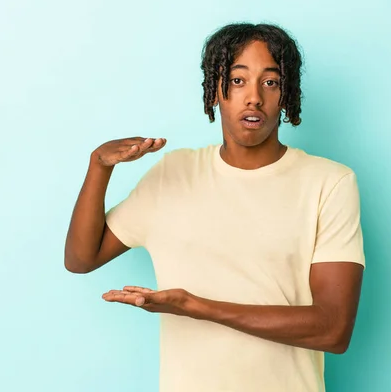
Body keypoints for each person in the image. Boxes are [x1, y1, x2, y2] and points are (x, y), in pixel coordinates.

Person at [64, 22, 365, 392]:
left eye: (270, 82)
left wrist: (197, 307)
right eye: (238, 81)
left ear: (286, 94)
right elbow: (81, 259)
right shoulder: (172, 174)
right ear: (214, 92)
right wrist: (99, 166)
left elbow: (333, 330)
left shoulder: (329, 182)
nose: (253, 97)